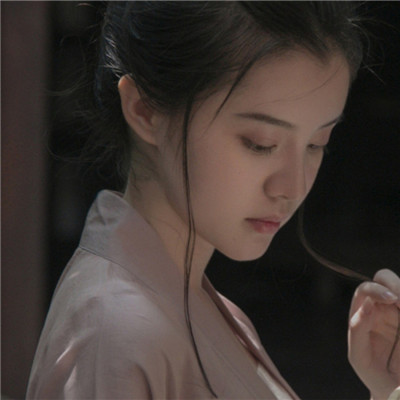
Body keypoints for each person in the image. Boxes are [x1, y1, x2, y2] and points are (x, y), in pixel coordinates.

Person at [27, 2, 400, 399]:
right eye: (260, 143)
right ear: (145, 110)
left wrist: (386, 386)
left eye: (316, 144)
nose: (292, 186)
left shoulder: (194, 306)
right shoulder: (118, 335)